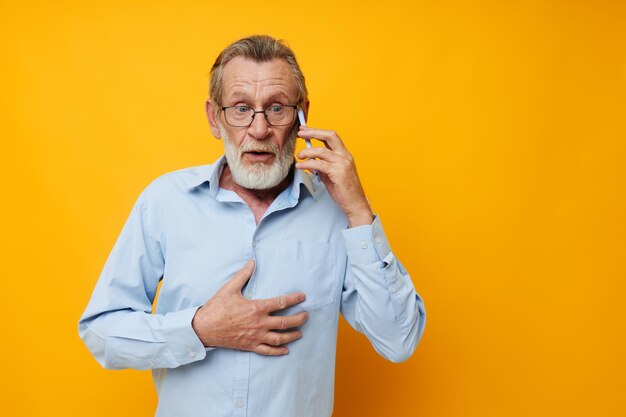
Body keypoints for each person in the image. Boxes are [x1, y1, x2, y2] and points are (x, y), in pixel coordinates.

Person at [79, 35, 426, 417]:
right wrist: (199, 330)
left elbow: (399, 339)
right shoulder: (164, 201)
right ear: (215, 118)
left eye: (276, 108)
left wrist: (360, 212)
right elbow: (101, 332)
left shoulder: (338, 214)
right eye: (241, 108)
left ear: (302, 116)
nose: (259, 130)